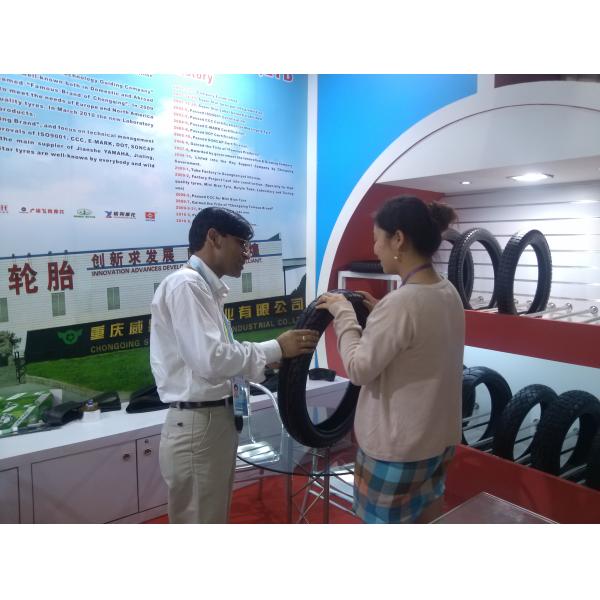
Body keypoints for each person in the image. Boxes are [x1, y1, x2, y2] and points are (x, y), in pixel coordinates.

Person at [150, 207, 319, 523]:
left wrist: (269, 361)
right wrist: (276, 346)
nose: (247, 254)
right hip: (200, 423)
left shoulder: (204, 289)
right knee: (202, 521)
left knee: (210, 516)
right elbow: (211, 359)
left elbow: (215, 357)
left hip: (211, 421)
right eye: (241, 243)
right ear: (214, 237)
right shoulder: (187, 285)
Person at [316, 196, 464, 524]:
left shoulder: (399, 304)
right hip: (438, 442)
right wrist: (380, 314)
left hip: (397, 450)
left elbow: (358, 369)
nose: (375, 249)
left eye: (377, 239)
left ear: (398, 239)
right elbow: (416, 347)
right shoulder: (447, 291)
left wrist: (344, 315)